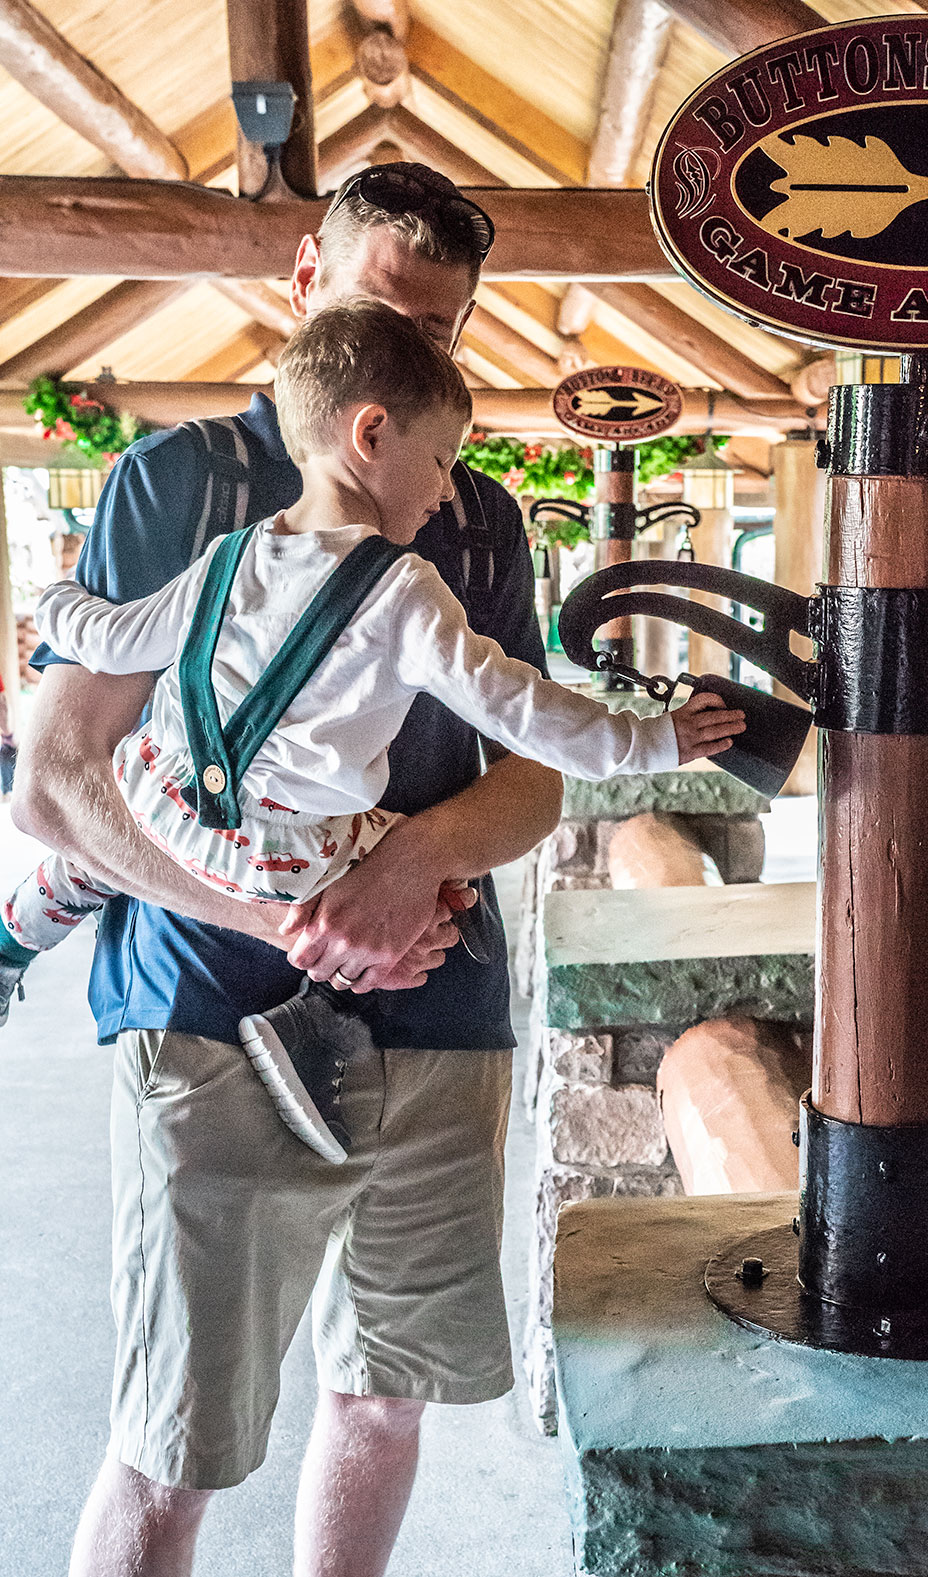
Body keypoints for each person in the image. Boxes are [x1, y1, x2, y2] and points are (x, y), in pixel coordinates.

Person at [11, 161, 618, 1577]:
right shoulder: (177, 486)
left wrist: (409, 868)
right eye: (381, 310)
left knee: (383, 1397)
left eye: (445, 328)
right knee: (172, 1439)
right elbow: (56, 780)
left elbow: (529, 768)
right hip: (210, 1015)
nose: (411, 356)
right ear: (303, 288)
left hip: (440, 1006)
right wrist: (287, 915)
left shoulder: (477, 517)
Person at [14, 301, 741, 1164]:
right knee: (434, 891)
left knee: (91, 853)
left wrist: (53, 601)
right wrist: (656, 740)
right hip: (289, 860)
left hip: (165, 799)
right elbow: (522, 710)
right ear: (371, 433)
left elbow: (114, 636)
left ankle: (21, 924)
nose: (444, 490)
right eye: (440, 460)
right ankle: (309, 1030)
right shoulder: (403, 591)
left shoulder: (229, 556)